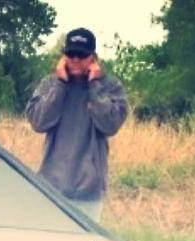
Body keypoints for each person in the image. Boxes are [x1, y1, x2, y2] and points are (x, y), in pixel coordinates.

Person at [25, 28, 128, 221]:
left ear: (93, 57)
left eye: (81, 55)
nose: (75, 59)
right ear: (63, 56)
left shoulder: (110, 87)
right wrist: (60, 85)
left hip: (88, 193)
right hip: (51, 189)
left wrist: (94, 87)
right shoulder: (50, 84)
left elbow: (110, 125)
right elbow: (38, 122)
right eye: (70, 54)